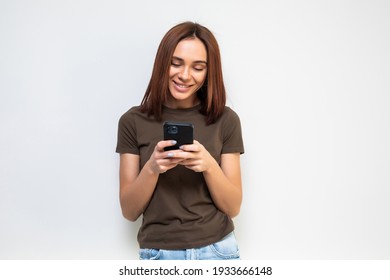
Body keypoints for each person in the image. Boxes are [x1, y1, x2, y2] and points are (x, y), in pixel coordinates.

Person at [116, 21, 244, 260]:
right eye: (176, 63)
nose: (184, 75)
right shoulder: (132, 121)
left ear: (208, 73)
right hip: (158, 254)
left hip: (218, 251)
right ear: (162, 63)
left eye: (198, 67)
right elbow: (129, 210)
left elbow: (233, 207)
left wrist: (208, 165)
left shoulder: (226, 120)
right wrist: (153, 168)